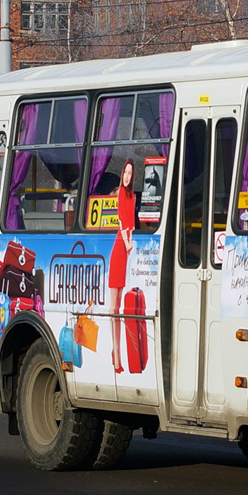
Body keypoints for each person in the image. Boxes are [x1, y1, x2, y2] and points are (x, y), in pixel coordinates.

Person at [108, 159, 136, 374]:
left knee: (119, 304)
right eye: (125, 172)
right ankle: (115, 351)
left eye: (130, 173)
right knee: (113, 306)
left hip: (127, 246)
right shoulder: (119, 193)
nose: (127, 176)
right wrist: (127, 242)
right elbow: (120, 220)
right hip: (120, 246)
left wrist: (130, 240)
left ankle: (118, 353)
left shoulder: (132, 196)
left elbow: (131, 223)